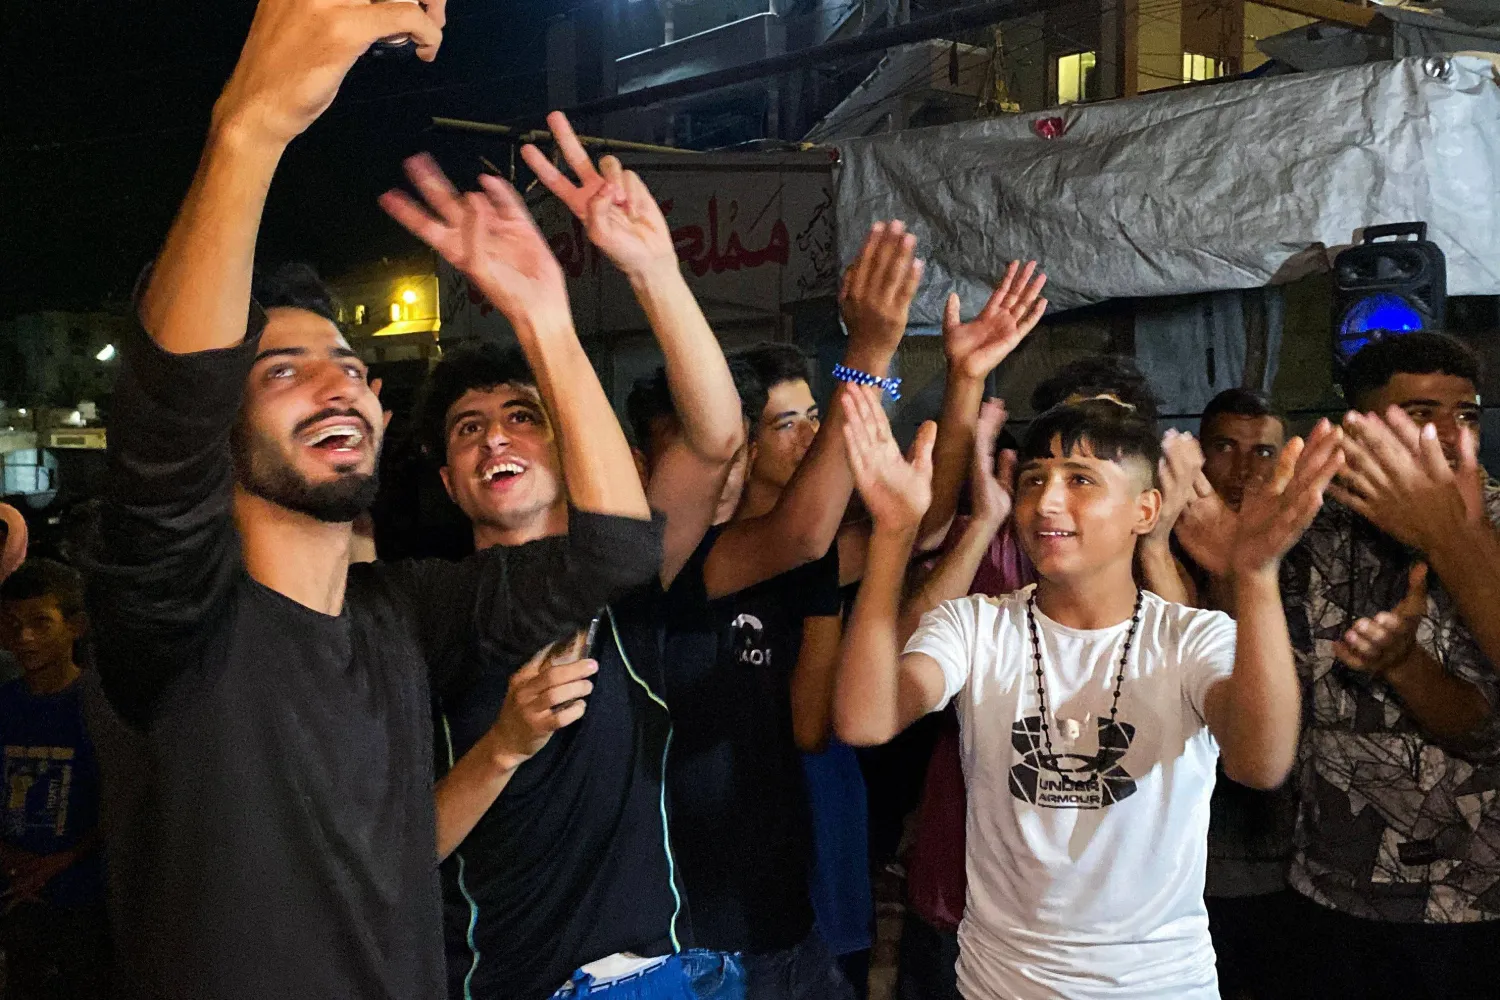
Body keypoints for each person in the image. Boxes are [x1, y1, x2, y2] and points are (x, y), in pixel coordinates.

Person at [83, 5, 663, 997]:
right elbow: (168, 412)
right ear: (220, 427)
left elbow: (612, 553)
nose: (339, 382)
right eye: (283, 371)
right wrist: (250, 130)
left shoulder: (401, 616)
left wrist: (546, 322)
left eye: (350, 365)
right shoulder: (169, 622)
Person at [386, 112, 747, 1000]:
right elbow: (395, 850)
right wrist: (502, 747)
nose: (496, 438)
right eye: (470, 429)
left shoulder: (626, 579)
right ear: (448, 478)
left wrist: (653, 270)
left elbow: (714, 440)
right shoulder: (420, 606)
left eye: (523, 417)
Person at [835, 387, 1343, 999]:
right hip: (998, 986)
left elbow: (1261, 762)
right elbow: (865, 721)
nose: (1046, 500)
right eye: (1032, 480)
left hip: (1157, 986)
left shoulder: (1190, 636)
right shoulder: (975, 626)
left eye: (1080, 480)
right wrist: (892, 536)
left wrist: (1254, 574)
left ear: (1146, 510)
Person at [661, 235, 1046, 1000]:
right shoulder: (703, 559)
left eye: (816, 414)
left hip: (795, 857)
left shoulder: (813, 556)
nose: (814, 435)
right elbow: (812, 538)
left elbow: (923, 522)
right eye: (786, 425)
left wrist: (964, 378)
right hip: (711, 896)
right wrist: (869, 348)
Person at [1268, 332, 1500, 999]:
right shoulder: (1307, 529)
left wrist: (1447, 540)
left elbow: (1485, 729)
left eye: (1468, 416)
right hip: (1326, 883)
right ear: (1358, 431)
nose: (1452, 436)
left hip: (1471, 898)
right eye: (1423, 414)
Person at [1180, 389, 1296, 1000]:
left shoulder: (1293, 552)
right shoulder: (1159, 540)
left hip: (1276, 841)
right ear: (1198, 455)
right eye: (1226, 447)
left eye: (1262, 452)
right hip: (1178, 845)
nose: (1245, 469)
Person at [0, 560, 106, 1000]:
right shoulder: (6, 704)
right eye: (12, 624)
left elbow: (124, 802)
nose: (24, 638)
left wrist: (60, 861)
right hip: (12, 892)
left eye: (41, 623)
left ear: (76, 627)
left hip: (83, 900)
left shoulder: (98, 707)